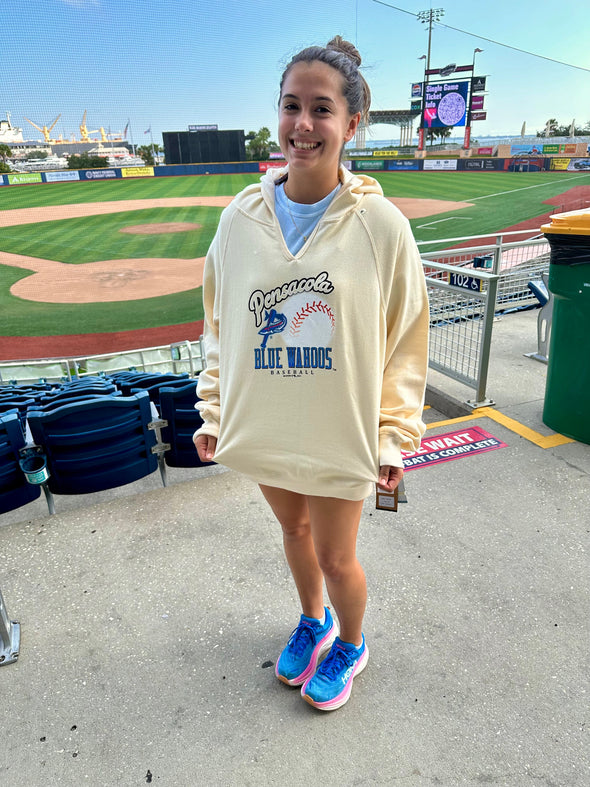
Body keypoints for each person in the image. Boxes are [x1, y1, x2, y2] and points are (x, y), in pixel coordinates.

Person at [193, 36, 429, 711]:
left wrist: (394, 437)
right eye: (291, 106)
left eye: (321, 109)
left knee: (336, 556)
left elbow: (405, 337)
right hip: (268, 421)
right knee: (292, 533)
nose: (302, 125)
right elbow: (219, 325)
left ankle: (351, 640)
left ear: (351, 123)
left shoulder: (381, 225)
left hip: (337, 431)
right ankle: (313, 619)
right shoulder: (239, 220)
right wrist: (214, 411)